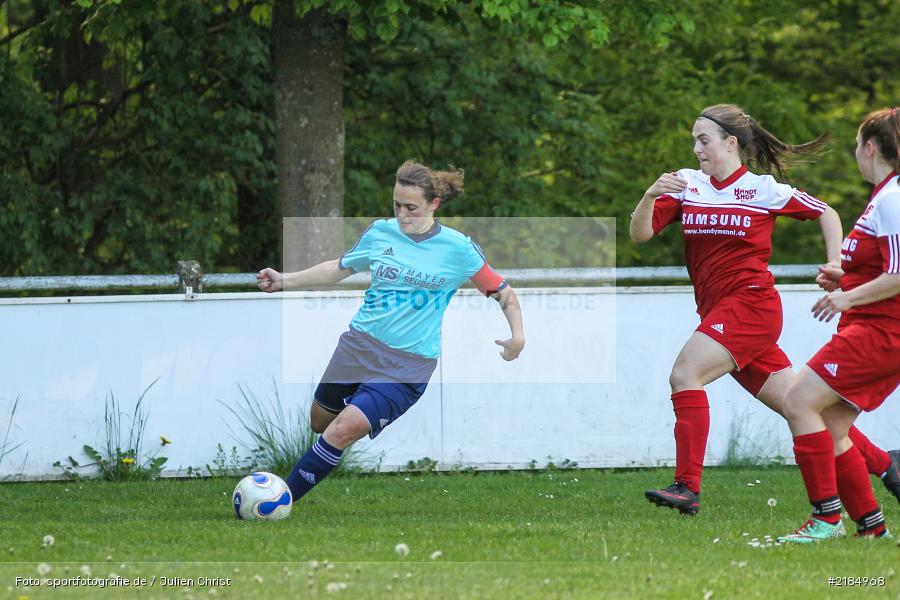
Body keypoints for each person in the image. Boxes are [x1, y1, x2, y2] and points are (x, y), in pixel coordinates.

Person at [629, 103, 899, 515]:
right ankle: (887, 466)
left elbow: (826, 212)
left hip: (752, 306)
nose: (697, 149)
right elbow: (641, 233)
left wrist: (837, 264)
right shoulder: (688, 184)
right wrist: (650, 195)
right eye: (694, 141)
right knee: (803, 407)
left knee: (685, 373)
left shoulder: (763, 189)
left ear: (730, 142)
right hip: (718, 314)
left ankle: (687, 487)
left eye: (704, 140)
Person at [256, 160, 526, 504]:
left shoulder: (458, 249)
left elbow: (503, 292)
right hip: (357, 346)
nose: (402, 214)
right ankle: (353, 415)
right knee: (320, 422)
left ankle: (277, 502)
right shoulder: (381, 232)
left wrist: (517, 336)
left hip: (407, 365)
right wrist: (285, 280)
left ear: (434, 205)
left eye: (411, 207)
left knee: (340, 431)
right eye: (396, 205)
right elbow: (337, 269)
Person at [778, 108, 900, 542]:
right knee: (831, 424)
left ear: (870, 147)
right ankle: (872, 527)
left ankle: (826, 519)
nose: (855, 154)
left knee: (797, 401)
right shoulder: (883, 197)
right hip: (870, 327)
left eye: (856, 146)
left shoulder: (893, 198)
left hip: (882, 333)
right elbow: (882, 268)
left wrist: (846, 296)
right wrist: (845, 278)